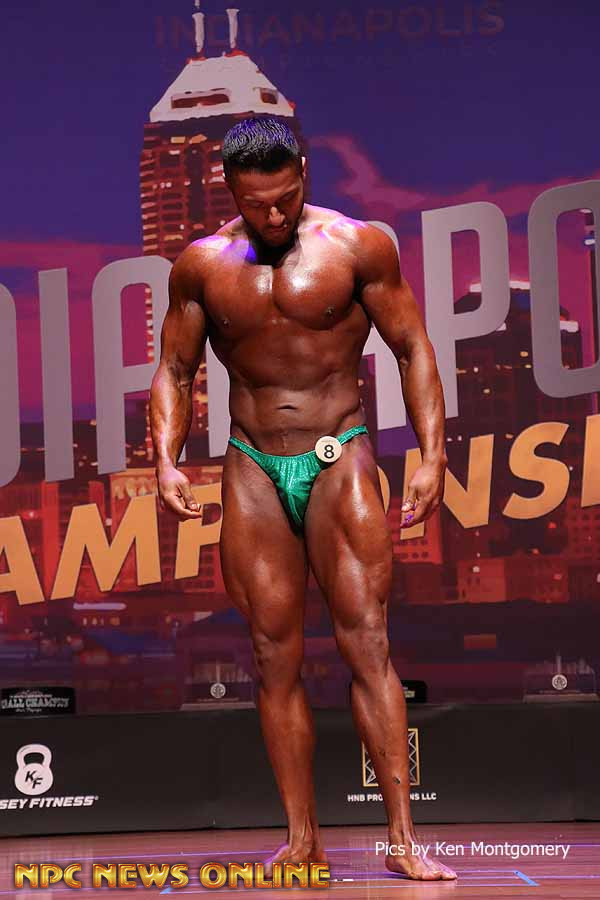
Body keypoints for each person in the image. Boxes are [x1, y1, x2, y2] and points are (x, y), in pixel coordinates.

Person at [150, 116, 455, 881]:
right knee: (270, 654)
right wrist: (164, 462)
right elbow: (175, 370)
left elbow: (412, 346)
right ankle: (302, 839)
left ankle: (403, 840)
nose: (275, 214)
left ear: (305, 174)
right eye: (258, 203)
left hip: (338, 454)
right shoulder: (201, 266)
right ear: (230, 190)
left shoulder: (358, 246)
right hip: (253, 465)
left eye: (286, 197)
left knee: (367, 642)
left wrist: (433, 454)